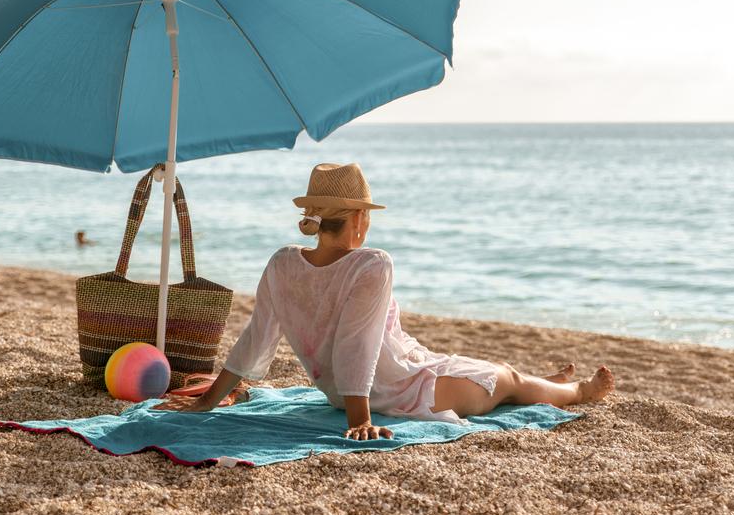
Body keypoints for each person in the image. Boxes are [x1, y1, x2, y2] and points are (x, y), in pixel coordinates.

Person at [155, 163, 614, 439]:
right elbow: (357, 344)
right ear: (357, 219)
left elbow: (256, 339)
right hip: (404, 389)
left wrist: (208, 401)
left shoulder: (282, 263)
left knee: (497, 376)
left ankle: (544, 386)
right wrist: (360, 420)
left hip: (344, 388)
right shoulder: (371, 265)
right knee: (508, 379)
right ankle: (577, 392)